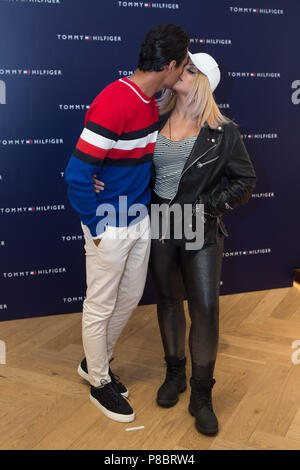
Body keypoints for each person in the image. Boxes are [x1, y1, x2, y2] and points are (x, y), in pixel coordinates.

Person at [93, 51, 257, 434]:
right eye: (181, 66)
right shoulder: (155, 120)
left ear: (203, 80)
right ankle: (175, 374)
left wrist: (208, 207)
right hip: (160, 220)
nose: (181, 72)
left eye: (190, 68)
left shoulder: (222, 131)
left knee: (205, 309)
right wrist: (102, 179)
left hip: (199, 224)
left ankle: (202, 394)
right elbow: (128, 163)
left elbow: (245, 181)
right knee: (167, 301)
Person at [64, 24, 189, 423]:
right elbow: (76, 173)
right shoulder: (116, 101)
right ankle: (100, 381)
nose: (184, 70)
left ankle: (94, 363)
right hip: (108, 223)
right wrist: (95, 226)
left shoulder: (151, 100)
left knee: (130, 296)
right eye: (183, 64)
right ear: (169, 65)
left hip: (138, 217)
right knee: (100, 304)